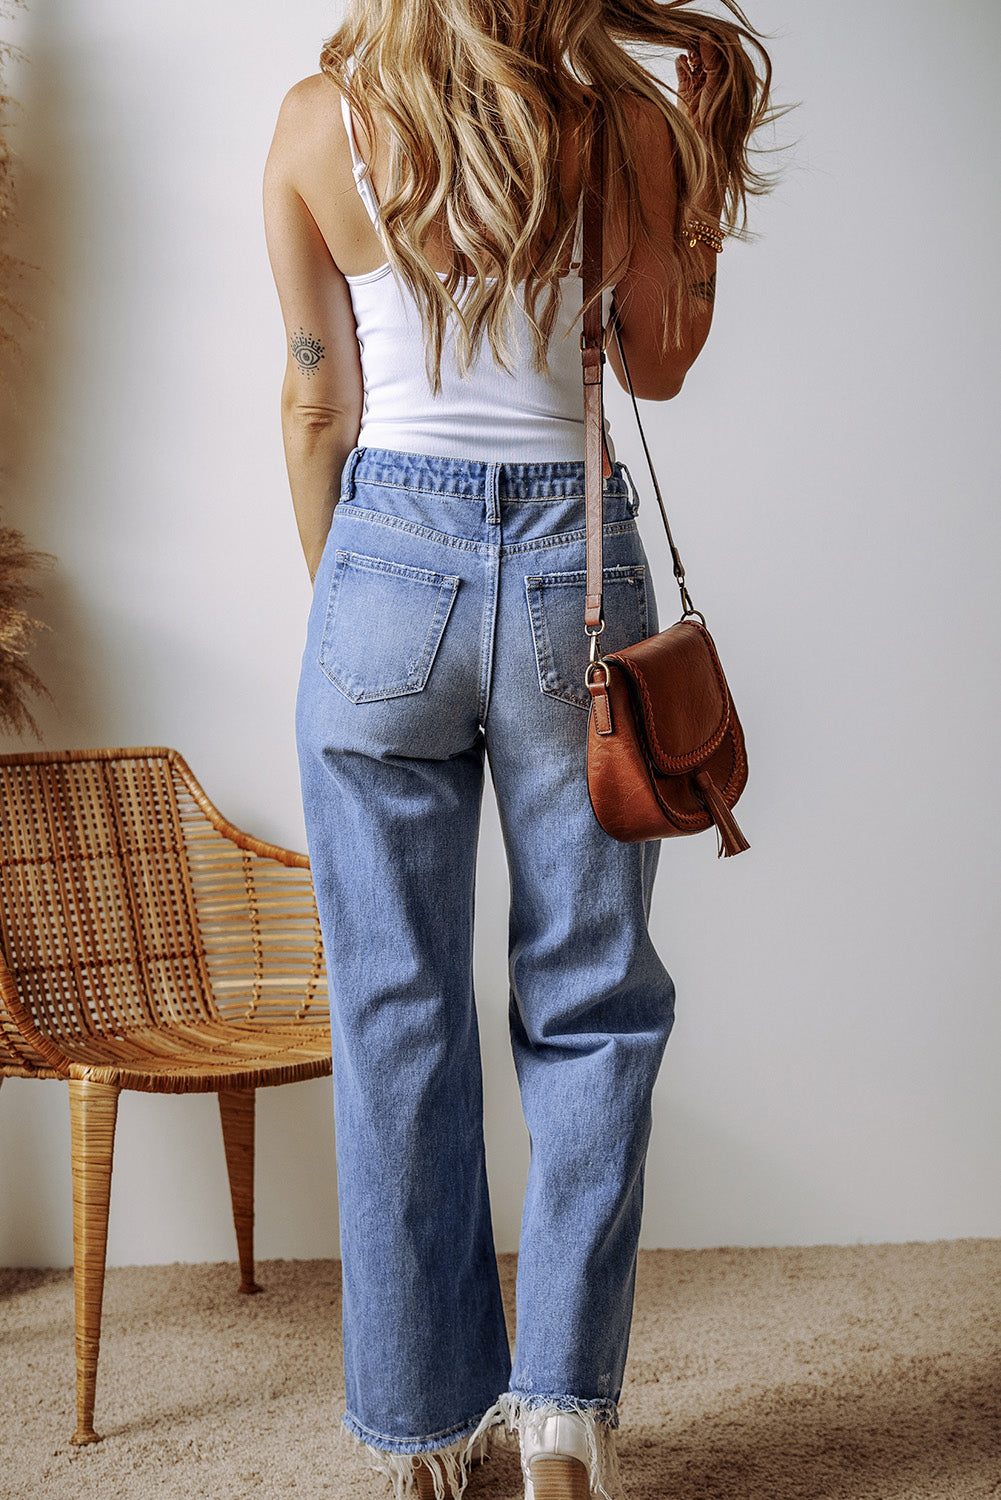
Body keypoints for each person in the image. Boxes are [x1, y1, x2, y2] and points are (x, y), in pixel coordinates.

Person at [263, 4, 779, 1497]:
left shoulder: (316, 120)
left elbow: (317, 397)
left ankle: (422, 1438)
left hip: (381, 564)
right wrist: (700, 186)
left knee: (394, 1014)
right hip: (574, 570)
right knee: (592, 1002)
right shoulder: (623, 123)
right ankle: (559, 1422)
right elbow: (657, 367)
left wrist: (360, 606)